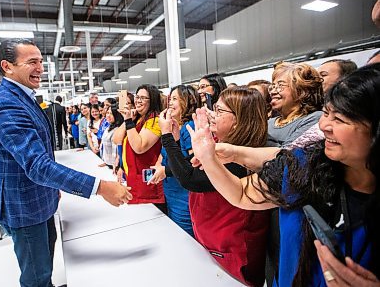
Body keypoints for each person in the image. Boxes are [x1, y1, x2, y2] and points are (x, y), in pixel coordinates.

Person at [187, 63, 380, 287]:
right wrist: (209, 157)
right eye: (326, 113)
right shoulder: (305, 166)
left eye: (340, 119)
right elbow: (241, 193)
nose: (324, 125)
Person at [0, 39, 132, 287]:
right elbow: (37, 165)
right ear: (7, 66)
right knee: (37, 277)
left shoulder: (22, 96)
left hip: (39, 198)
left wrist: (52, 187)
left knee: (46, 263)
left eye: (41, 61)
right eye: (32, 62)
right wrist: (102, 187)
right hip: (24, 206)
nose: (40, 68)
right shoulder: (5, 104)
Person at [159, 87, 270, 286]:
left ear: (238, 120)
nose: (212, 115)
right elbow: (190, 167)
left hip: (232, 251)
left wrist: (167, 137)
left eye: (219, 111)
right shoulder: (222, 144)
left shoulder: (242, 158)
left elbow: (190, 179)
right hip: (212, 242)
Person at [148, 85, 200, 236]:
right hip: (171, 191)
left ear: (188, 101)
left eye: (175, 99)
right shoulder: (172, 127)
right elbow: (165, 152)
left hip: (184, 195)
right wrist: (159, 163)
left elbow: (193, 162)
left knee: (185, 236)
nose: (170, 102)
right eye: (170, 99)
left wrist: (165, 170)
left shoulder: (190, 127)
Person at [120, 84, 165, 210]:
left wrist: (129, 121)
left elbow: (139, 147)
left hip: (147, 183)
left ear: (152, 101)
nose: (138, 101)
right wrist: (129, 120)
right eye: (137, 97)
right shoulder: (139, 119)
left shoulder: (155, 120)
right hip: (135, 179)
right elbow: (117, 139)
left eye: (143, 98)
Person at [267, 62, 323, 147]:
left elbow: (287, 154)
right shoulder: (269, 122)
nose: (273, 92)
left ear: (301, 91)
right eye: (273, 86)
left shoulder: (314, 118)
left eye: (280, 85)